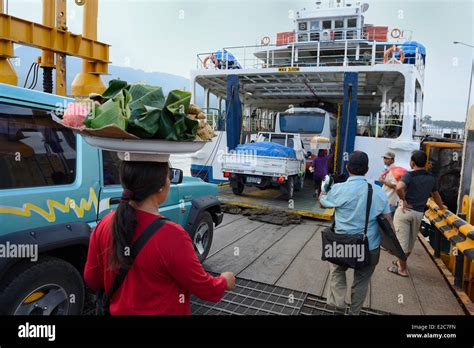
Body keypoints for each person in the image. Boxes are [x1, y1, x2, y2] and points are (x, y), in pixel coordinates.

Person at [84, 160, 236, 315]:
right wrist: (224, 281)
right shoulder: (173, 236)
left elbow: (92, 279)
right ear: (161, 186)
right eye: (168, 177)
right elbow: (204, 288)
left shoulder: (105, 223)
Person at [319, 151, 394, 315]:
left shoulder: (338, 189)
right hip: (368, 246)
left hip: (341, 245)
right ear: (366, 169)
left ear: (347, 168)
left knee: (337, 271)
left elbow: (322, 203)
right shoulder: (378, 191)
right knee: (361, 281)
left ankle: (338, 303)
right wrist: (393, 245)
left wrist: (324, 189)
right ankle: (354, 312)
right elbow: (388, 221)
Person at [389, 150, 446, 278]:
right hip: (418, 214)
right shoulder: (431, 178)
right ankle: (400, 262)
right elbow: (436, 195)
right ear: (425, 163)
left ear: (412, 162)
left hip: (405, 212)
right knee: (409, 243)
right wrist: (442, 207)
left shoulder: (409, 175)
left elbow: (398, 188)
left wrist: (403, 200)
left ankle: (402, 270)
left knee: (401, 244)